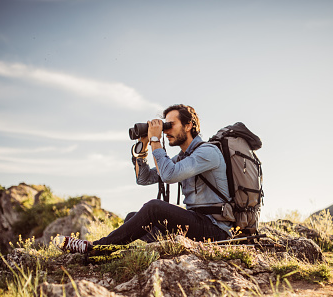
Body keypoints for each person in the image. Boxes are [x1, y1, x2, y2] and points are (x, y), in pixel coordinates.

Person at [56, 104, 232, 253]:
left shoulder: (207, 152)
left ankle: (97, 248)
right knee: (133, 218)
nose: (166, 130)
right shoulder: (183, 157)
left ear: (188, 126)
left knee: (153, 208)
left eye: (170, 125)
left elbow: (169, 175)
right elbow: (144, 179)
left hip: (215, 228)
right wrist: (144, 147)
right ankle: (164, 248)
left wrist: (156, 138)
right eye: (165, 126)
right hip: (195, 225)